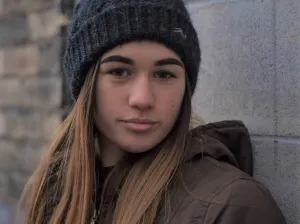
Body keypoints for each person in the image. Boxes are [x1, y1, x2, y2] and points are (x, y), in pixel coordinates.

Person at [20, 0, 287, 223]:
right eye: (119, 72)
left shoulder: (232, 207)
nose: (143, 99)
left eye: (164, 74)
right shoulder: (51, 190)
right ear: (85, 83)